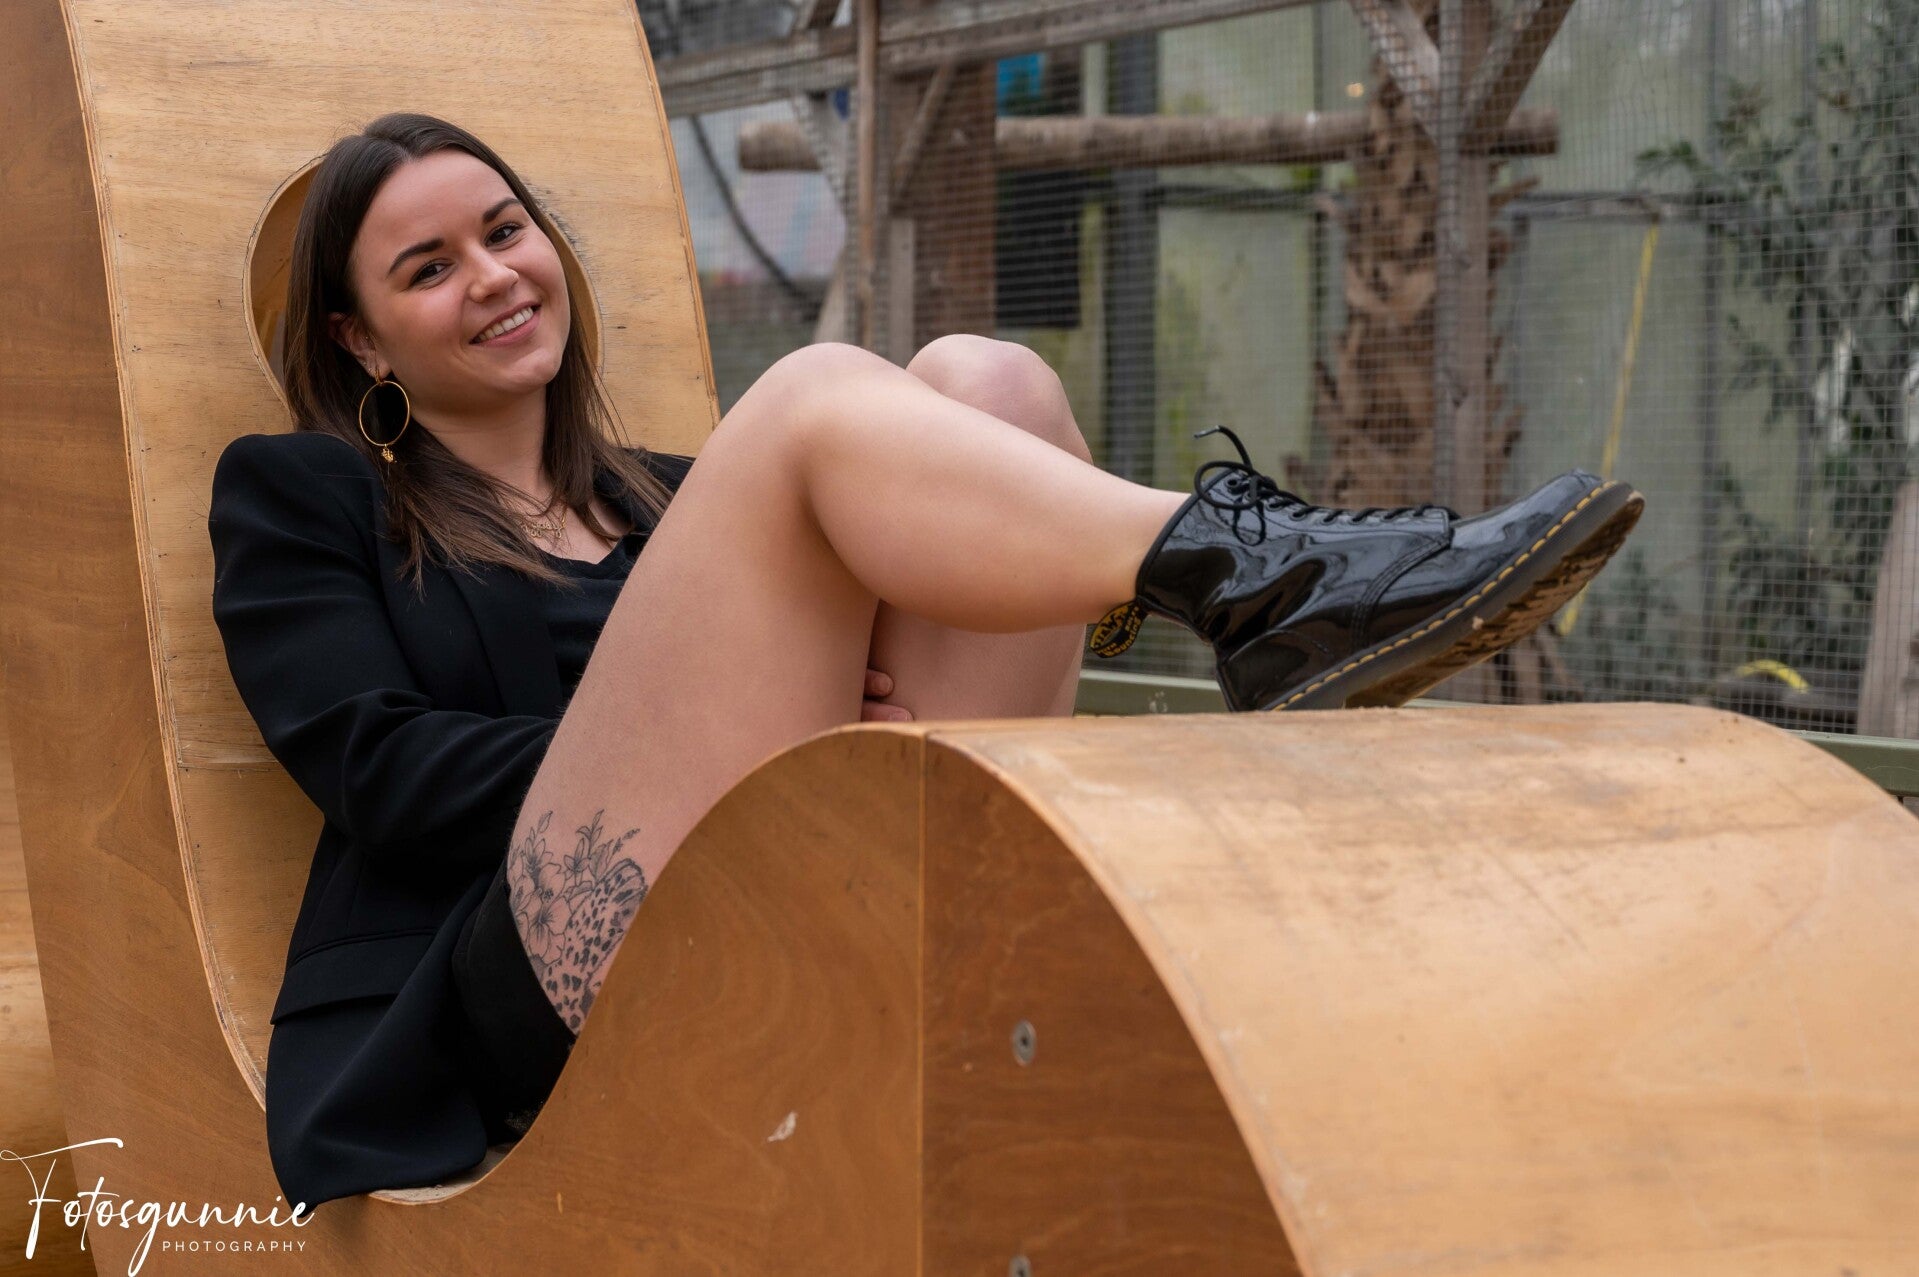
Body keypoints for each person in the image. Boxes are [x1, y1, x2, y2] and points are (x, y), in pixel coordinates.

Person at [207, 111, 1643, 1211]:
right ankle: (1266, 575)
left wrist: (784, 744)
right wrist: (730, 747)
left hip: (801, 909)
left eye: (505, 231)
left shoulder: (675, 502)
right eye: (428, 268)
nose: (494, 276)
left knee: (989, 381)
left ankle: (1260, 590)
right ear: (361, 340)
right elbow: (376, 767)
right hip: (525, 978)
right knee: (813, 396)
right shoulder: (303, 493)